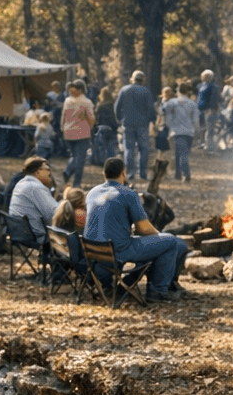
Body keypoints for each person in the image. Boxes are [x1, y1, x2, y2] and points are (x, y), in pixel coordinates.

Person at [83, 157, 190, 302]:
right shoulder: (128, 194)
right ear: (123, 173)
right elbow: (143, 228)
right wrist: (159, 237)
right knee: (170, 241)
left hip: (95, 251)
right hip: (119, 251)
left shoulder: (92, 192)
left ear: (104, 174)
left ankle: (130, 282)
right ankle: (157, 291)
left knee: (156, 244)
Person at [115, 70, 156, 181]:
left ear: (132, 79)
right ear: (143, 80)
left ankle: (130, 173)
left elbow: (117, 107)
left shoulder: (124, 90)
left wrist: (119, 118)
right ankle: (142, 172)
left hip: (128, 123)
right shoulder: (146, 91)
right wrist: (152, 119)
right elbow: (151, 109)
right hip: (143, 123)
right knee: (143, 148)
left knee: (129, 148)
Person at [8, 156, 59, 241]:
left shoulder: (22, 183)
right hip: (35, 235)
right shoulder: (35, 187)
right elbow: (53, 215)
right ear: (38, 172)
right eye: (47, 169)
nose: (49, 173)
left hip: (19, 232)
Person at [61, 79, 95, 188]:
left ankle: (70, 174)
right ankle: (74, 179)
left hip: (68, 132)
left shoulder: (67, 101)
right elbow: (91, 118)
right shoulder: (87, 102)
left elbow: (63, 116)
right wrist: (90, 126)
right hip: (82, 133)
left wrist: (63, 128)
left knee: (75, 156)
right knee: (80, 159)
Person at [165, 83, 199, 182]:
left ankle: (185, 174)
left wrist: (169, 127)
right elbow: (196, 120)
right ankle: (178, 174)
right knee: (183, 153)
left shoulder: (172, 103)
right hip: (188, 132)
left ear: (178, 91)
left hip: (176, 132)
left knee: (178, 154)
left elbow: (168, 117)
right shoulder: (192, 104)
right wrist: (197, 131)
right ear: (188, 92)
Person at [93, 85, 119, 164]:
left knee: (102, 146)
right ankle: (112, 161)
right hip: (112, 127)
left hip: (102, 127)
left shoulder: (100, 106)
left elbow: (96, 117)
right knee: (111, 146)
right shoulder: (113, 105)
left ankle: (102, 161)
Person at [195, 69, 218, 148]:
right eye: (204, 76)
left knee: (209, 128)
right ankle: (202, 142)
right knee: (201, 127)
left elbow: (214, 98)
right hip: (199, 109)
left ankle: (209, 145)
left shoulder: (213, 86)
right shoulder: (200, 85)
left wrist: (212, 109)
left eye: (207, 76)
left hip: (208, 110)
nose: (204, 77)